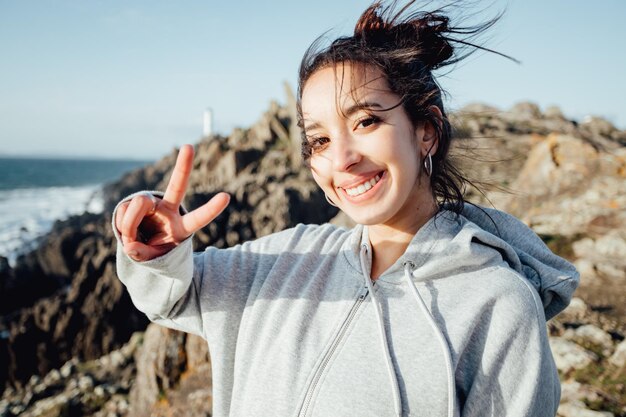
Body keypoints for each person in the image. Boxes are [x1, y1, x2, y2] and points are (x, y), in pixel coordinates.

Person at [113, 1, 579, 416]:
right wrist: (156, 248)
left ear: (426, 131)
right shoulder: (287, 258)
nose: (342, 158)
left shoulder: (497, 304)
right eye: (319, 139)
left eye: (366, 121)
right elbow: (174, 294)